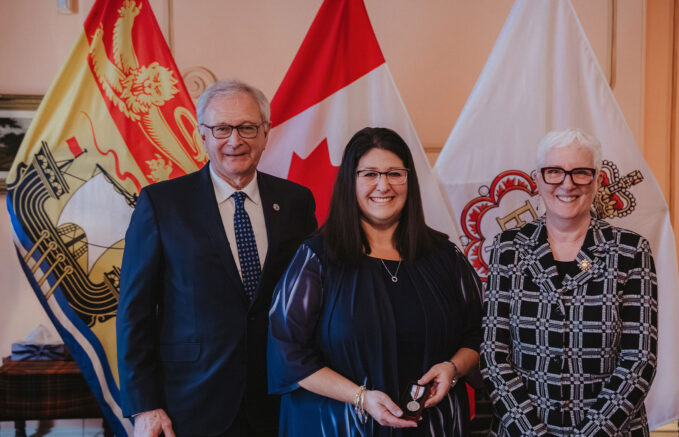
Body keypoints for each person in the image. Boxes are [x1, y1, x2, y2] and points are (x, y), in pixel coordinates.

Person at [117, 80, 317, 437]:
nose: (235, 140)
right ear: (202, 135)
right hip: (191, 403)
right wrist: (144, 405)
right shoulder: (161, 205)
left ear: (265, 132)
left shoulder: (296, 202)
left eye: (247, 127)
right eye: (222, 128)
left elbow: (312, 299)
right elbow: (136, 312)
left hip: (280, 399)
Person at [267, 127, 483, 436]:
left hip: (433, 426)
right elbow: (286, 354)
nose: (383, 185)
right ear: (350, 182)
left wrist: (452, 369)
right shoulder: (315, 258)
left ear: (409, 180)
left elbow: (480, 334)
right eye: (369, 174)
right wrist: (360, 398)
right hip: (340, 426)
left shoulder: (445, 256)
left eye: (395, 173)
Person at [480, 129, 658, 437]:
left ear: (598, 179)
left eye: (580, 173)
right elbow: (493, 353)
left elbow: (639, 360)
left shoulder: (631, 251)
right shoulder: (507, 248)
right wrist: (533, 432)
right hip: (523, 430)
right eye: (555, 172)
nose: (567, 183)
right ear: (537, 179)